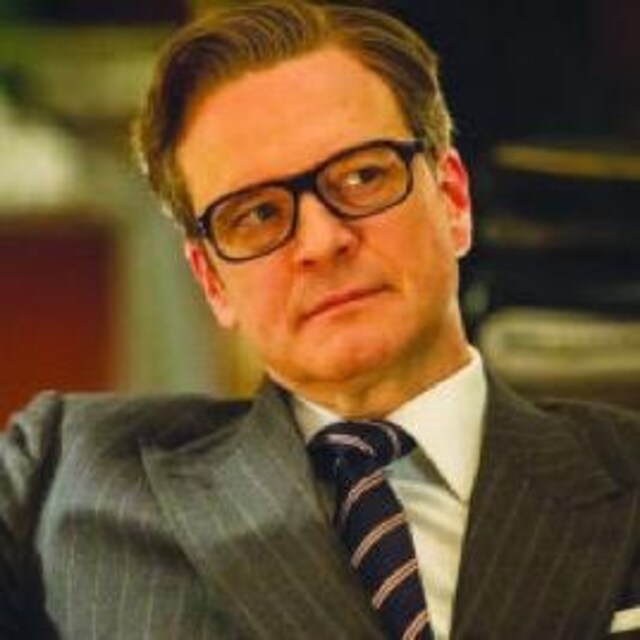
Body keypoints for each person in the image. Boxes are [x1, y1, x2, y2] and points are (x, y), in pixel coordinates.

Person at [2, 1, 640, 638]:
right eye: (257, 214)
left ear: (452, 198)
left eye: (362, 177)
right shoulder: (63, 474)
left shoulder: (624, 470)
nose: (322, 241)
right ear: (212, 281)